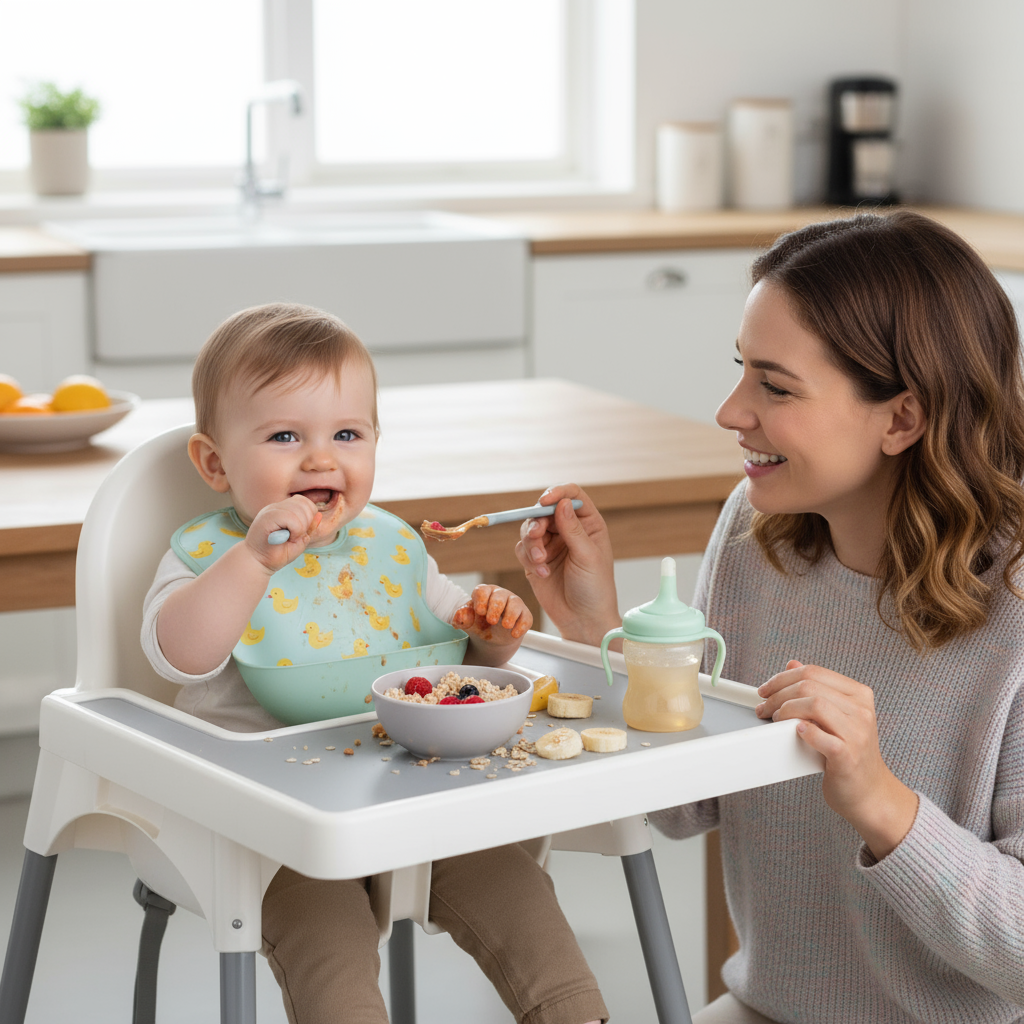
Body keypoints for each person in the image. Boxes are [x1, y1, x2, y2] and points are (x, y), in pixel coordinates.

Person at [515, 212, 1024, 1024]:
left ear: (901, 418)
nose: (729, 411)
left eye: (775, 387)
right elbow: (688, 806)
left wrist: (879, 799)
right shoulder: (759, 534)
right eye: (742, 371)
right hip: (768, 1008)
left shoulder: (1016, 608)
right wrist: (598, 637)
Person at [141, 302, 608, 1024]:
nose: (322, 458)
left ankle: (575, 1013)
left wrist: (492, 633)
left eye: (348, 434)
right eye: (285, 435)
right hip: (273, 827)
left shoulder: (389, 549)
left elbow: (453, 653)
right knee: (326, 936)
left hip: (410, 792)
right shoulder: (206, 556)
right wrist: (253, 561)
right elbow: (181, 656)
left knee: (513, 886)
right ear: (214, 462)